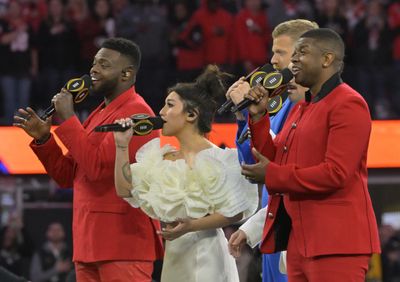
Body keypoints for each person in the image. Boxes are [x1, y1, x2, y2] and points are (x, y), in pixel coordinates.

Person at [13, 37, 163, 282]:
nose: (93, 70)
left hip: (122, 244)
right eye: (94, 63)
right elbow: (66, 175)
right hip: (88, 243)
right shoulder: (98, 114)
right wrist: (44, 139)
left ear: (126, 74)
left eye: (104, 65)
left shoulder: (137, 113)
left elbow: (96, 168)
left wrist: (69, 117)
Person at [241, 28, 381, 281]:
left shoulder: (348, 103)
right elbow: (274, 159)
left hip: (337, 243)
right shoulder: (301, 108)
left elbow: (335, 173)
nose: (293, 60)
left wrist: (272, 173)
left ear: (327, 59)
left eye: (302, 52)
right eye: (293, 54)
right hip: (299, 241)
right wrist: (260, 117)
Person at [112, 65, 259, 282]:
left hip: (209, 257)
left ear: (191, 114)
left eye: (169, 105)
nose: (161, 112)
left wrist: (192, 226)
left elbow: (236, 212)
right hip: (175, 256)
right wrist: (122, 146)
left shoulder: (221, 159)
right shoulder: (162, 159)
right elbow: (124, 189)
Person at [227, 19, 318, 282]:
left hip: (299, 230)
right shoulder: (280, 105)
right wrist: (246, 118)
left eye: (280, 52)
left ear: (303, 54)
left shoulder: (311, 105)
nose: (273, 60)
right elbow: (250, 163)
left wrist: (253, 116)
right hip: (273, 228)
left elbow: (279, 161)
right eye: (273, 51)